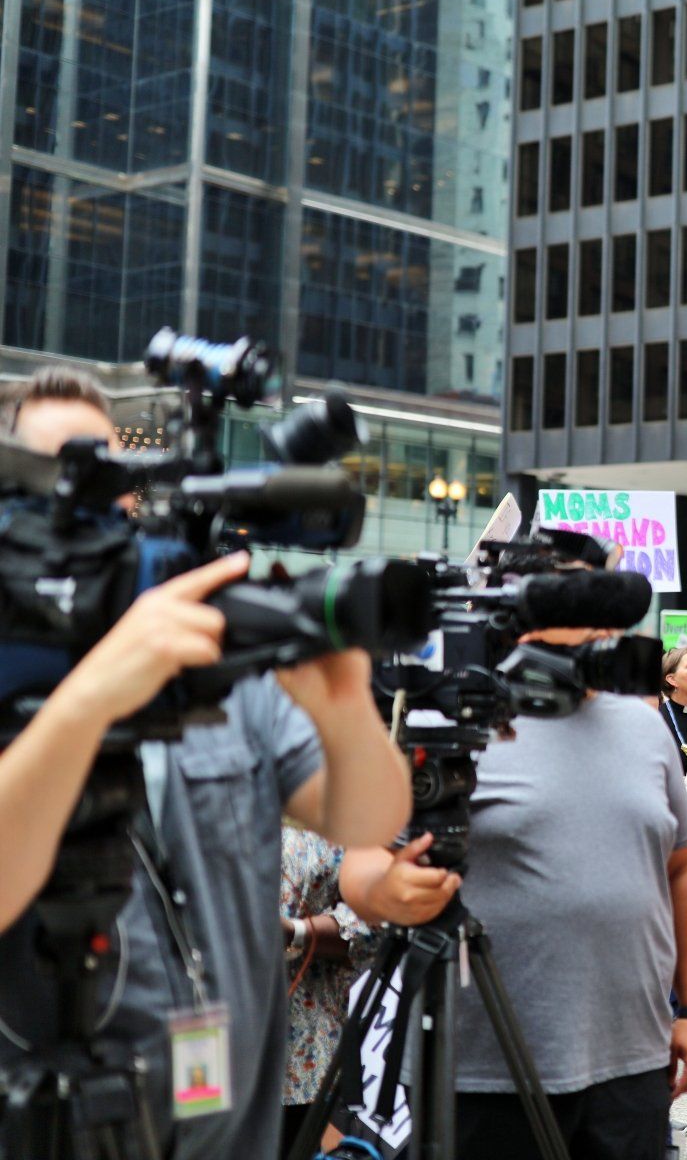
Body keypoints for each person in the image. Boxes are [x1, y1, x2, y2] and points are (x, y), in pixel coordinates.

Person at [0, 366, 412, 1160]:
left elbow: (369, 817)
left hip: (232, 1130)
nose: (103, 511)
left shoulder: (207, 654)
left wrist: (343, 703)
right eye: (66, 481)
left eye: (116, 484)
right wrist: (88, 699)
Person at [342, 614, 687, 1160]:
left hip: (633, 1058)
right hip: (480, 1070)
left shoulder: (643, 724)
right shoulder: (449, 717)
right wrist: (384, 892)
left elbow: (682, 866)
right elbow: (363, 861)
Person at [280, 826, 378, 1150]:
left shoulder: (340, 804)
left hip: (304, 1061)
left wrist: (297, 932)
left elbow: (376, 922)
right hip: (204, 1043)